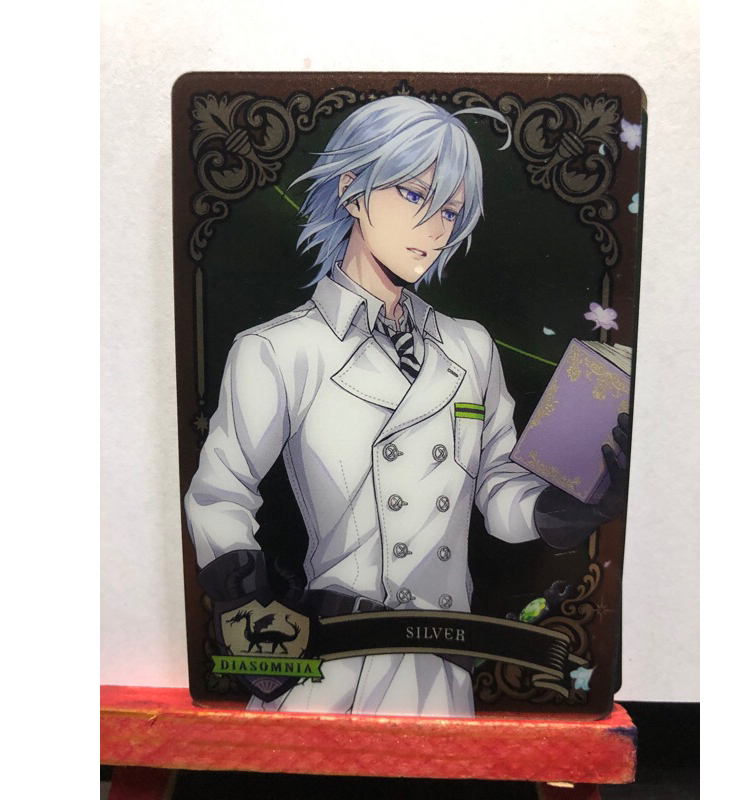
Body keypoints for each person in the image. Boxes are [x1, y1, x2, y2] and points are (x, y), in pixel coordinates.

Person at [185, 96, 629, 717]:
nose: (436, 229)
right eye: (415, 195)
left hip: (444, 667)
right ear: (352, 189)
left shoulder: (470, 346)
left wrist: (564, 509)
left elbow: (498, 490)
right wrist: (259, 639)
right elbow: (218, 496)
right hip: (332, 670)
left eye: (450, 210)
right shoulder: (279, 349)